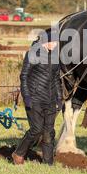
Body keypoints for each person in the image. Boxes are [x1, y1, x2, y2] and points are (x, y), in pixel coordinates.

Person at [12, 28, 62, 165]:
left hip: (51, 100)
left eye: (56, 42)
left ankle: (48, 163)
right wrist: (26, 96)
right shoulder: (32, 54)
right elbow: (24, 76)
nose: (56, 45)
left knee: (49, 132)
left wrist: (59, 98)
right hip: (35, 99)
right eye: (53, 42)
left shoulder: (56, 57)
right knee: (36, 130)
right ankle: (18, 153)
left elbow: (57, 79)